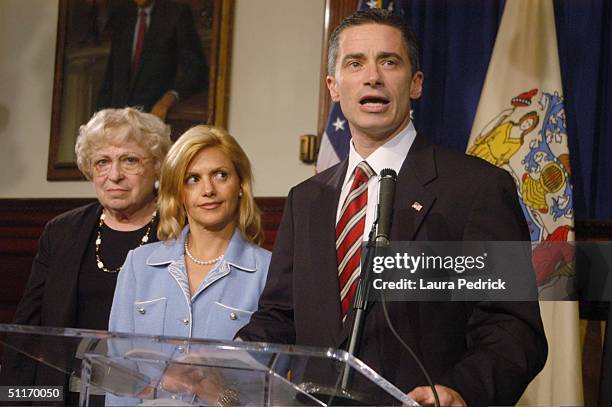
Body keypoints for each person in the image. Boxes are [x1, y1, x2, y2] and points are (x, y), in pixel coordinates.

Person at [237, 9, 547, 406]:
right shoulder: (306, 199)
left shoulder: (475, 189)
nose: (372, 77)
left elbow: (512, 329)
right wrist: (228, 362)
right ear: (334, 86)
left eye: (389, 61)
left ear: (416, 83)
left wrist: (461, 391)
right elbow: (279, 318)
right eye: (355, 63)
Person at [0, 107, 171, 399]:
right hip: (64, 393)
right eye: (102, 162)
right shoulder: (62, 231)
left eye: (130, 160)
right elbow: (28, 332)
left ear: (156, 166)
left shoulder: (178, 230)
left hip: (148, 397)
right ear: (89, 169)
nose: (114, 175)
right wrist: (14, 398)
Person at [109, 124, 270, 340]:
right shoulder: (138, 265)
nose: (208, 190)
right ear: (178, 192)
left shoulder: (269, 272)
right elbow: (118, 361)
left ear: (240, 184)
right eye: (193, 179)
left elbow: (271, 367)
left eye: (221, 175)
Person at [96, 0, 208, 120]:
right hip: (118, 119)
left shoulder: (176, 13)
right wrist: (99, 117)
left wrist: (170, 97)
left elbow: (197, 71)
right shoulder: (122, 14)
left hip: (153, 118)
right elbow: (111, 76)